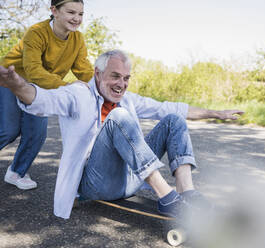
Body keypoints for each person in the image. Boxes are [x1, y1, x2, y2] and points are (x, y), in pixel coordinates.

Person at [0, 50, 244, 219]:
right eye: (115, 76)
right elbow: (43, 100)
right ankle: (168, 199)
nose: (121, 84)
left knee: (172, 119)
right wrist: (16, 85)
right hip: (96, 184)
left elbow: (169, 107)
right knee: (118, 118)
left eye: (126, 78)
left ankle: (186, 193)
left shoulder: (128, 99)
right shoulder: (78, 94)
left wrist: (216, 113)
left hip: (129, 179)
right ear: (97, 74)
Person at [0, 0, 93, 190]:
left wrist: (103, 88)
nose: (76, 18)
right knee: (9, 130)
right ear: (54, 11)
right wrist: (67, 86)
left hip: (40, 87)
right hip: (11, 79)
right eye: (71, 12)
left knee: (36, 133)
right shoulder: (36, 32)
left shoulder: (77, 39)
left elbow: (84, 70)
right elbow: (33, 70)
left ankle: (16, 172)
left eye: (80, 14)